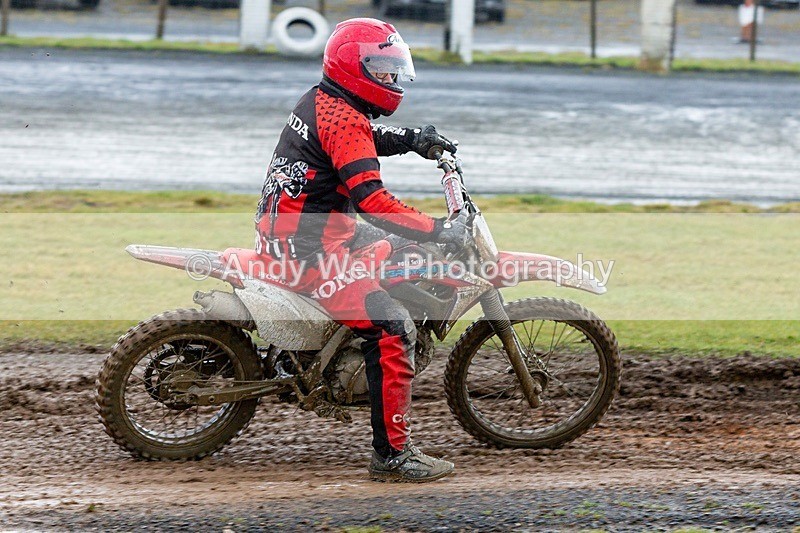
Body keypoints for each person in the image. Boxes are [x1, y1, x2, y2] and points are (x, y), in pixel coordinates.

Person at [254, 18, 469, 482]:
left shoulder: (320, 100)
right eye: (385, 70)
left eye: (395, 70)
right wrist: (438, 229)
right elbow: (372, 201)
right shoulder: (345, 117)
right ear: (359, 69)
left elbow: (356, 143)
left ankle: (339, 348)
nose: (392, 79)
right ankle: (392, 456)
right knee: (392, 328)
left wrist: (411, 142)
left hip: (296, 234)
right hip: (311, 253)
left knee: (400, 249)